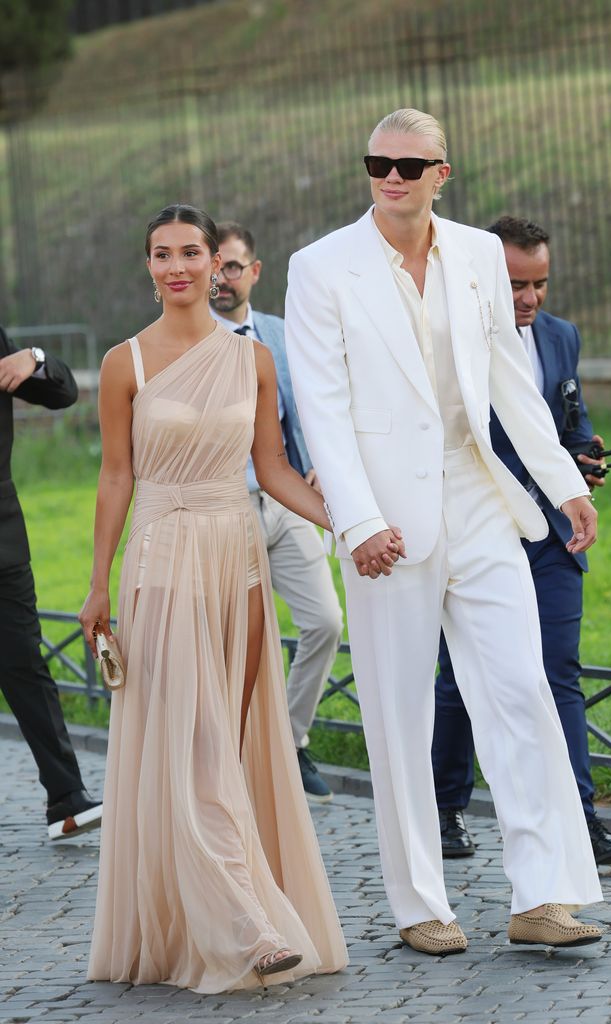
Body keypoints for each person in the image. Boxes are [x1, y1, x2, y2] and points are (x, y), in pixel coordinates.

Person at [285, 109, 604, 955]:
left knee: (520, 690)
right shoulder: (320, 268)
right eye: (378, 163)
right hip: (383, 516)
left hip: (478, 497)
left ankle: (541, 897)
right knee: (398, 713)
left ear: (442, 172)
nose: (391, 176)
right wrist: (355, 519)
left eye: (409, 164)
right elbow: (322, 405)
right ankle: (421, 902)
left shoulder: (475, 255)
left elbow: (508, 377)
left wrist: (564, 483)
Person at [79, 204, 347, 992]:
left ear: (218, 263)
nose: (177, 267)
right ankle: (248, 925)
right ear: (150, 266)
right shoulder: (124, 360)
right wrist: (98, 584)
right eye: (161, 254)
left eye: (191, 253)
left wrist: (349, 522)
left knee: (226, 740)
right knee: (193, 742)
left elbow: (271, 467)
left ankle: (212, 918)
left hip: (239, 561)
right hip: (161, 559)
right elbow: (116, 475)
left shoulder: (254, 360)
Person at [433, 216, 611, 868]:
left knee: (559, 674)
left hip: (552, 536)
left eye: (540, 283)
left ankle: (582, 825)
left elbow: (571, 423)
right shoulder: (449, 340)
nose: (528, 298)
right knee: (462, 680)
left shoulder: (561, 336)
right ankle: (444, 810)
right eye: (516, 283)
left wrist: (583, 458)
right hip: (477, 530)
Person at [209, 221, 343, 803]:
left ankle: (289, 741)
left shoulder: (282, 335)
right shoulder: (191, 342)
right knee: (236, 639)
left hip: (286, 499)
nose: (221, 279)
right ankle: (230, 756)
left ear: (254, 272)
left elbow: (315, 406)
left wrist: (321, 466)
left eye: (232, 267)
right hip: (224, 505)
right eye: (214, 267)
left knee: (325, 623)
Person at [0, 328, 103, 841]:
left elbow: (61, 394)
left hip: (2, 538)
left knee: (25, 663)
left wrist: (36, 358)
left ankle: (67, 798)